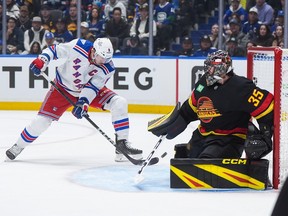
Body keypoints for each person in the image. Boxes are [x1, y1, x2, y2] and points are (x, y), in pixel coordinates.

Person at [5, 37, 143, 162]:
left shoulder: (108, 67)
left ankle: (122, 146)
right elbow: (54, 50)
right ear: (94, 51)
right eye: (101, 57)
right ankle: (18, 146)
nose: (103, 61)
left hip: (87, 91)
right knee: (41, 122)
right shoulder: (78, 46)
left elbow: (92, 87)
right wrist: (42, 60)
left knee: (119, 102)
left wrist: (83, 102)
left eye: (106, 58)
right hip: (62, 88)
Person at [149, 50, 274, 160]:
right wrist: (175, 122)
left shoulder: (241, 87)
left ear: (223, 69)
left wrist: (265, 136)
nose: (208, 70)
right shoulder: (203, 83)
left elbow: (267, 109)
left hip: (229, 139)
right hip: (202, 135)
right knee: (183, 157)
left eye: (212, 67)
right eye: (208, 67)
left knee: (206, 161)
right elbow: (191, 108)